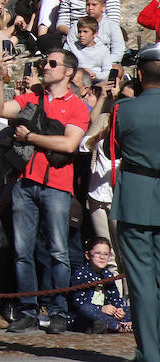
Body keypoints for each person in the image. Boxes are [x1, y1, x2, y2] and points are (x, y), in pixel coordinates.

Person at [0, 49, 89, 334]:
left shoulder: (77, 106)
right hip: (25, 184)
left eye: (52, 63)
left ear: (68, 71)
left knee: (58, 252)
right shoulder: (33, 97)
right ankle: (27, 311)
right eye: (45, 62)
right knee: (23, 252)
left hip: (57, 186)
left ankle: (58, 310)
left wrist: (31, 137)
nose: (45, 66)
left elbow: (69, 145)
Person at [110, 44, 160, 359]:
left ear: (139, 75)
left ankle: (150, 354)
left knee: (141, 284)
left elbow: (111, 145)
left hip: (136, 199)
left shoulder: (123, 109)